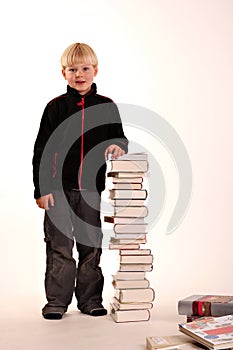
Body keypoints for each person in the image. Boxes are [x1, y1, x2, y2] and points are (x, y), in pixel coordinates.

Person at [32, 42, 128, 320]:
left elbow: (118, 137)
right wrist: (42, 189)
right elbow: (42, 150)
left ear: (95, 70)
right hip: (57, 191)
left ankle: (90, 300)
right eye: (73, 69)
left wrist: (118, 146)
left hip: (90, 191)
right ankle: (56, 302)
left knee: (90, 245)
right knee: (59, 246)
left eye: (85, 68)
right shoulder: (55, 107)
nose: (79, 74)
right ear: (64, 74)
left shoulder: (107, 106)